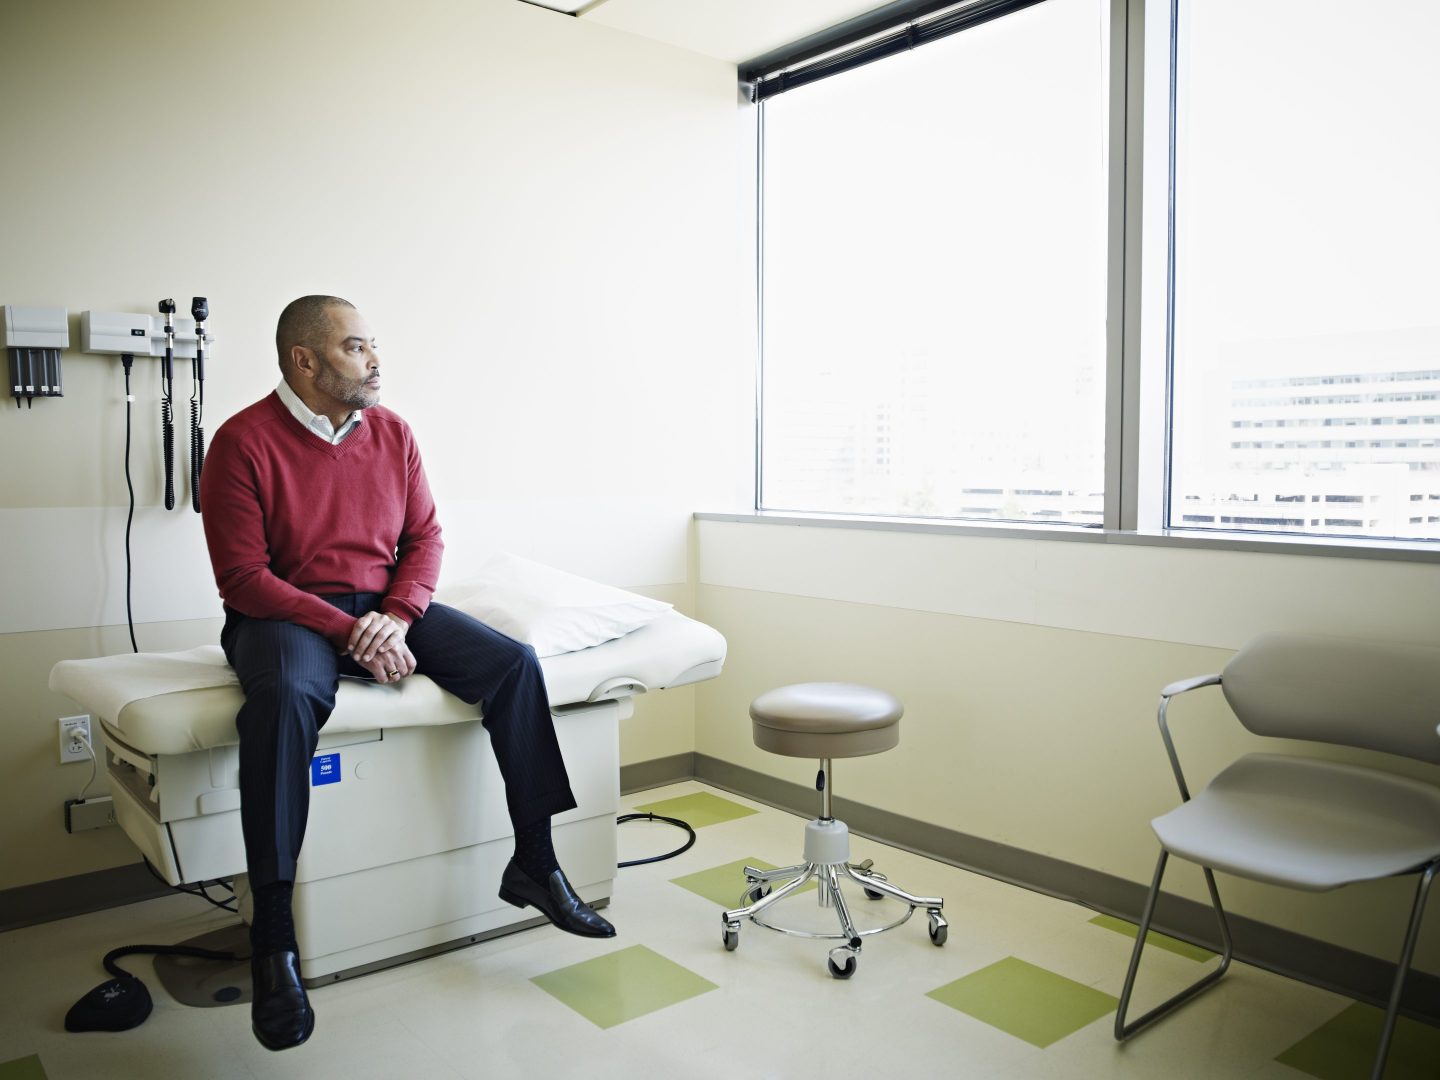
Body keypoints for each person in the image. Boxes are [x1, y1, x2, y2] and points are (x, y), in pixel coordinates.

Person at [198, 295, 614, 1053]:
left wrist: (397, 612)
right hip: (283, 615)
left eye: (372, 345)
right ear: (306, 360)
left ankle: (535, 861)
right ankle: (275, 935)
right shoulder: (241, 441)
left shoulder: (393, 433)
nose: (375, 360)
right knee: (287, 696)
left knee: (513, 664)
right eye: (358, 347)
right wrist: (350, 629)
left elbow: (424, 538)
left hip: (381, 605)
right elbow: (243, 578)